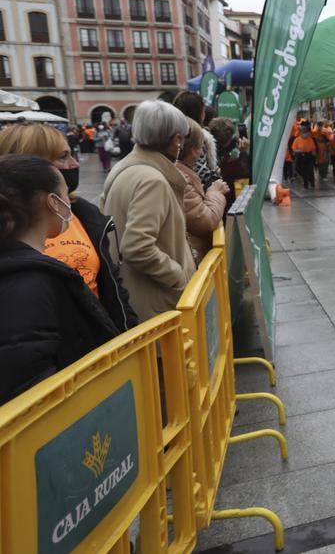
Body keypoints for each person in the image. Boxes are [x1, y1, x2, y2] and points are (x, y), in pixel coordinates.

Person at [0, 155, 121, 404]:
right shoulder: (31, 282)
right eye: (65, 193)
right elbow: (30, 380)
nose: (70, 202)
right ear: (53, 202)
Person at [0, 124, 137, 331]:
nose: (73, 164)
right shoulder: (9, 231)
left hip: (101, 344)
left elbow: (112, 285)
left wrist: (129, 332)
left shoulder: (82, 213)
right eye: (63, 157)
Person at [101, 100, 196, 321]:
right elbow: (137, 247)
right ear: (176, 139)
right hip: (156, 304)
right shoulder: (152, 180)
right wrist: (178, 276)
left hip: (136, 296)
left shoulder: (125, 168)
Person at [177, 118, 230, 262]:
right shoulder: (181, 177)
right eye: (200, 147)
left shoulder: (182, 172)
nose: (201, 153)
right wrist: (215, 193)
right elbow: (204, 221)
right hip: (189, 263)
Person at [291, 122, 317, 190]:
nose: (305, 134)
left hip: (309, 156)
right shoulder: (297, 140)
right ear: (300, 133)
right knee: (300, 169)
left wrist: (314, 157)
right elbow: (294, 149)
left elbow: (313, 148)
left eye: (306, 132)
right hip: (300, 157)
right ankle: (305, 180)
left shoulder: (310, 139)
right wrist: (300, 151)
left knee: (310, 170)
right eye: (303, 132)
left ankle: (311, 182)